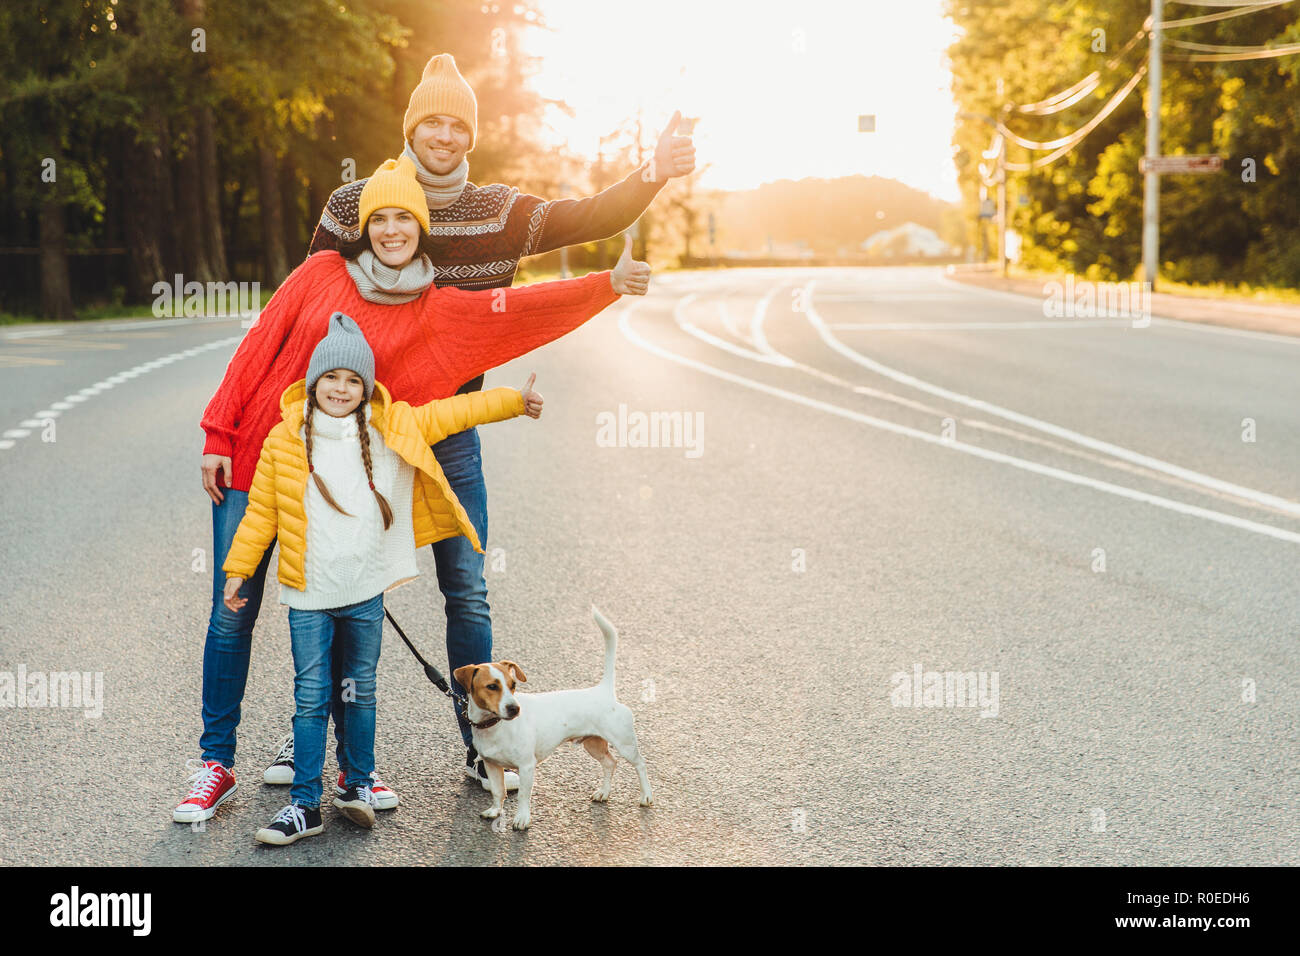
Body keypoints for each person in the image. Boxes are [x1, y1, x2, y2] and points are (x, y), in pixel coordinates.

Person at [174, 154, 650, 826]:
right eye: (380, 218)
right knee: (232, 613)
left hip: (335, 493)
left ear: (422, 228)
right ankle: (214, 764)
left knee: (336, 621)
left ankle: (347, 769)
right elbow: (260, 344)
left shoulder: (436, 311)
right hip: (256, 459)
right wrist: (218, 433)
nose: (392, 230)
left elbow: (512, 310)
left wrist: (607, 284)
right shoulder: (319, 275)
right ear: (364, 226)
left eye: (405, 218)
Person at [298, 53, 694, 790]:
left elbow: (590, 216)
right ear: (412, 127)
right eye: (432, 122)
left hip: (450, 434)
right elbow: (306, 312)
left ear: (469, 135)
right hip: (364, 436)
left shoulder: (498, 211)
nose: (444, 135)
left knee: (467, 589)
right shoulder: (355, 205)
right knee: (342, 592)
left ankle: (481, 751)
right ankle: (314, 746)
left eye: (457, 124)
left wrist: (655, 171)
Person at [218, 314, 543, 844]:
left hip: (364, 595)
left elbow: (454, 411)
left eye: (353, 381)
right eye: (331, 378)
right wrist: (238, 570)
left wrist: (511, 400)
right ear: (312, 382)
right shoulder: (284, 440)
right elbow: (261, 514)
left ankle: (358, 783)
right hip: (308, 595)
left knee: (361, 693)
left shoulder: (389, 427)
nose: (341, 389)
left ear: (366, 388)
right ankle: (304, 804)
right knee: (310, 696)